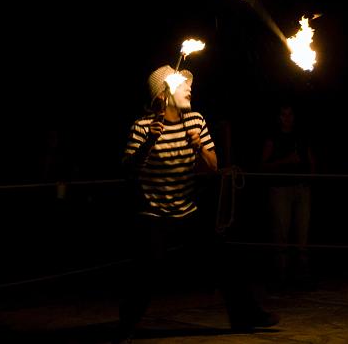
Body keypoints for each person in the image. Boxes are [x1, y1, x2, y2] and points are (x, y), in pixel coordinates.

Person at [113, 64, 279, 343]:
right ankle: (126, 324)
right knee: (147, 269)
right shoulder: (142, 126)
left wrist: (199, 147)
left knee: (225, 259)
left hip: (187, 209)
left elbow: (213, 167)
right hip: (153, 213)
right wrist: (149, 142)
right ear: (164, 94)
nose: (189, 87)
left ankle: (245, 316)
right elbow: (128, 169)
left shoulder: (196, 121)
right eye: (182, 84)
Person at [259, 102, 317, 291]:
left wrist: (311, 179)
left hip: (301, 188)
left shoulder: (301, 136)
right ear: (278, 117)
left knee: (303, 237)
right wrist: (286, 161)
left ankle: (303, 279)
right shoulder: (272, 137)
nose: (287, 118)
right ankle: (281, 280)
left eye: (290, 114)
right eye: (284, 114)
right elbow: (263, 165)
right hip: (280, 189)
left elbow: (310, 159)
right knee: (281, 236)